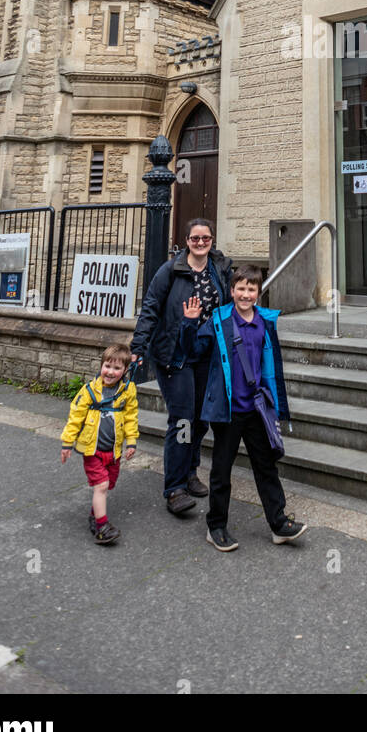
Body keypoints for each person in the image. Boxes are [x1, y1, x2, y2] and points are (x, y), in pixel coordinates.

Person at [196, 263, 307, 551]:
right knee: (222, 470)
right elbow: (195, 351)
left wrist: (276, 406)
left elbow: (270, 367)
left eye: (251, 289)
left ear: (259, 292)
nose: (246, 294)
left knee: (265, 466)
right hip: (228, 410)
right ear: (231, 291)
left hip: (256, 409)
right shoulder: (219, 320)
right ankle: (216, 526)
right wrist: (188, 323)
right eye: (241, 288)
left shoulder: (265, 322)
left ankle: (279, 523)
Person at [131, 219, 231, 515]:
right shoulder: (171, 270)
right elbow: (150, 306)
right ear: (186, 241)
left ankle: (190, 471)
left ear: (212, 240)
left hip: (207, 354)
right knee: (183, 419)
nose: (201, 243)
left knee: (201, 419)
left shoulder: (220, 269)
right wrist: (138, 346)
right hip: (176, 355)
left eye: (206, 238)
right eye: (195, 238)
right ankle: (174, 487)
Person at [60, 342, 138, 545]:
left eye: (117, 368)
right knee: (101, 485)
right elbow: (75, 416)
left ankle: (94, 517)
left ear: (125, 370)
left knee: (107, 485)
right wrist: (67, 443)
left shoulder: (127, 391)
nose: (110, 372)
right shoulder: (89, 391)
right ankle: (102, 527)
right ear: (101, 365)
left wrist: (131, 442)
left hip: (113, 452)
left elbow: (131, 417)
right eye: (107, 366)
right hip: (92, 450)